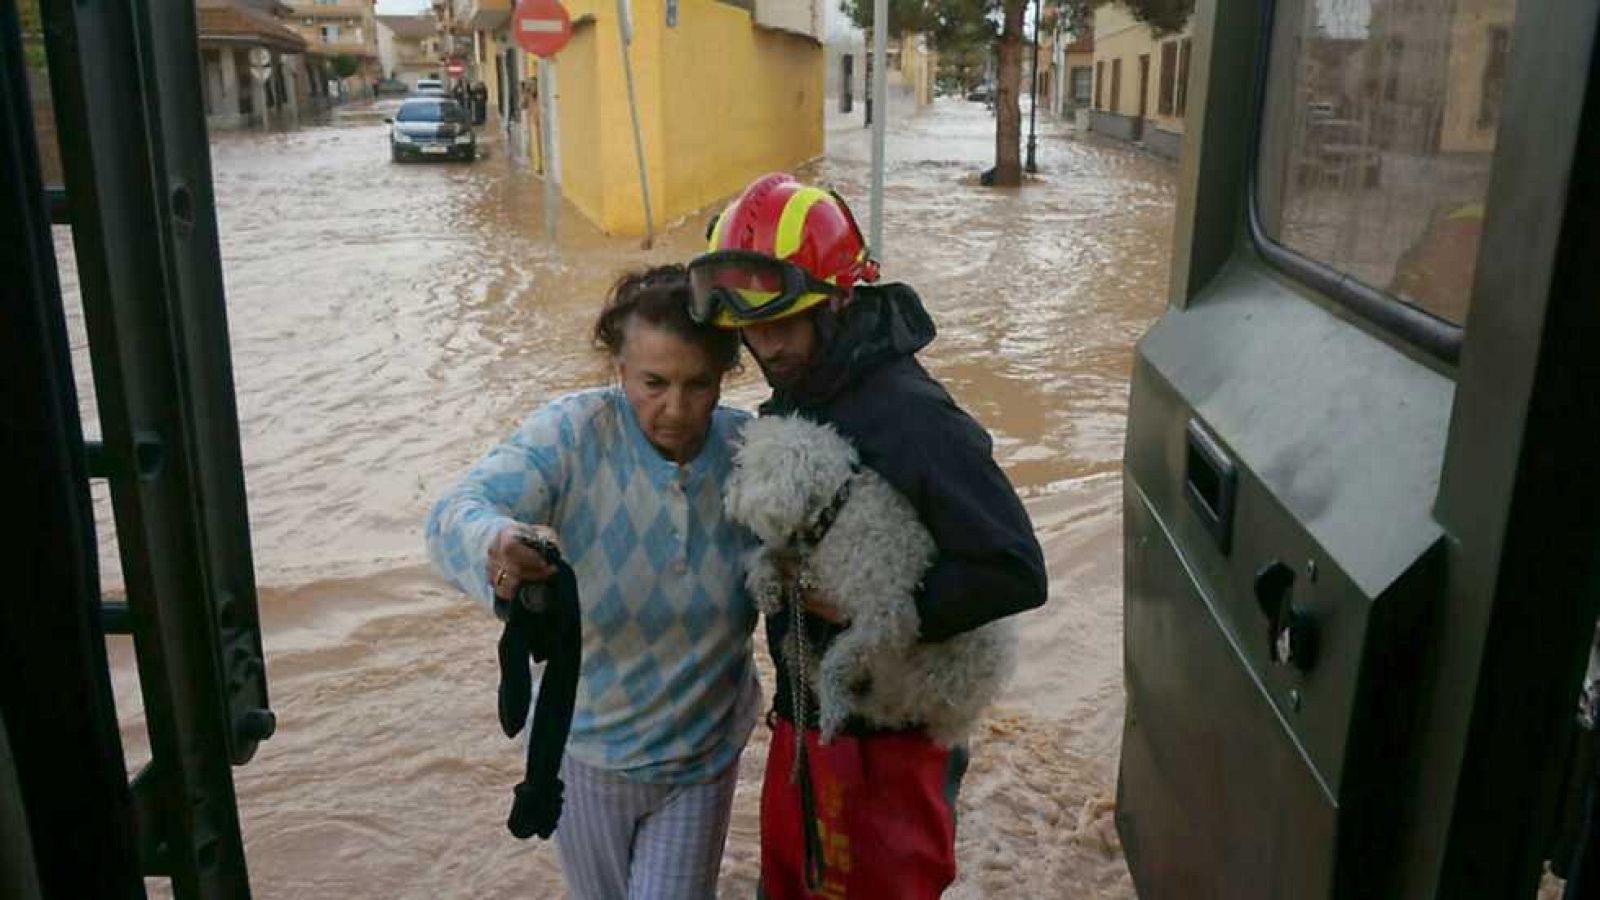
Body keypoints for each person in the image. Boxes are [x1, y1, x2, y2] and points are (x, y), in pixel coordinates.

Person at [688, 174, 1048, 898]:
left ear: (840, 300)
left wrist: (861, 608)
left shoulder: (914, 418)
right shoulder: (807, 386)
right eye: (753, 329)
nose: (767, 346)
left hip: (891, 751)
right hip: (810, 726)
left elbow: (1015, 570)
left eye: (784, 324)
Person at [425, 266, 760, 899]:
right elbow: (454, 512)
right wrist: (497, 543)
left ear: (726, 378)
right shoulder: (573, 435)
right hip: (588, 757)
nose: (676, 410)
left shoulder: (753, 454)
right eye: (653, 383)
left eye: (700, 385)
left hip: (702, 757)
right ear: (619, 368)